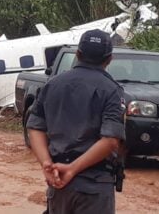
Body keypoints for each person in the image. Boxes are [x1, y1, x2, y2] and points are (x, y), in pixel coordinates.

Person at [27, 29, 125, 214]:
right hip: (94, 186)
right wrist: (72, 169)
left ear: (78, 54)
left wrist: (47, 164)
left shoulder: (53, 84)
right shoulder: (112, 90)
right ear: (109, 59)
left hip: (59, 183)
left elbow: (34, 127)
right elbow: (111, 140)